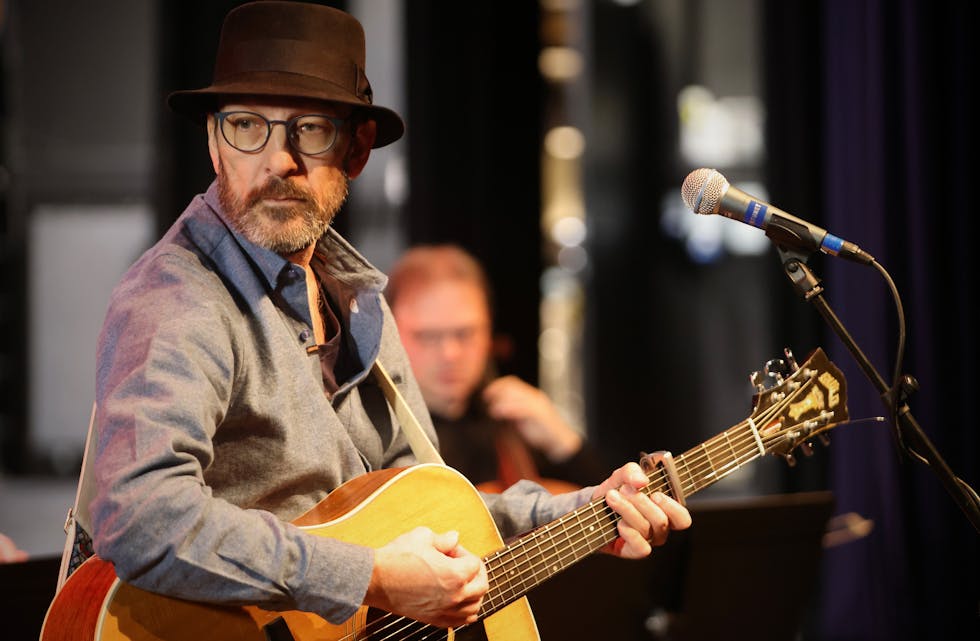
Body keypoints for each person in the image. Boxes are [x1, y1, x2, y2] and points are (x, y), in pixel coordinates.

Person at [84, 1, 690, 632]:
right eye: (246, 126)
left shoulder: (356, 298)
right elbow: (141, 516)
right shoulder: (177, 298)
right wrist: (368, 576)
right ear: (214, 143)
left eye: (310, 129)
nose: (277, 160)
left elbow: (434, 506)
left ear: (357, 148)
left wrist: (587, 513)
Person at [387, 244, 607, 490]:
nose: (451, 354)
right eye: (427, 336)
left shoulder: (516, 423)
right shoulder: (376, 437)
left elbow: (608, 513)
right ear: (391, 334)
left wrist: (564, 444)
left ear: (488, 331)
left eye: (466, 333)